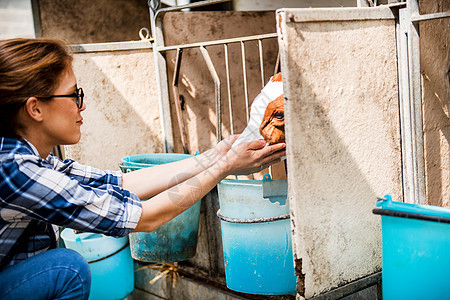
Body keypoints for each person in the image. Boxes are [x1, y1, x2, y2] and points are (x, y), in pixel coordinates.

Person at [0, 38, 286, 299]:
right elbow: (146, 217)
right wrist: (225, 167)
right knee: (67, 268)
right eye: (74, 95)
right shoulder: (16, 170)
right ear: (35, 109)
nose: (82, 105)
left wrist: (215, 155)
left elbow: (120, 183)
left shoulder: (29, 156)